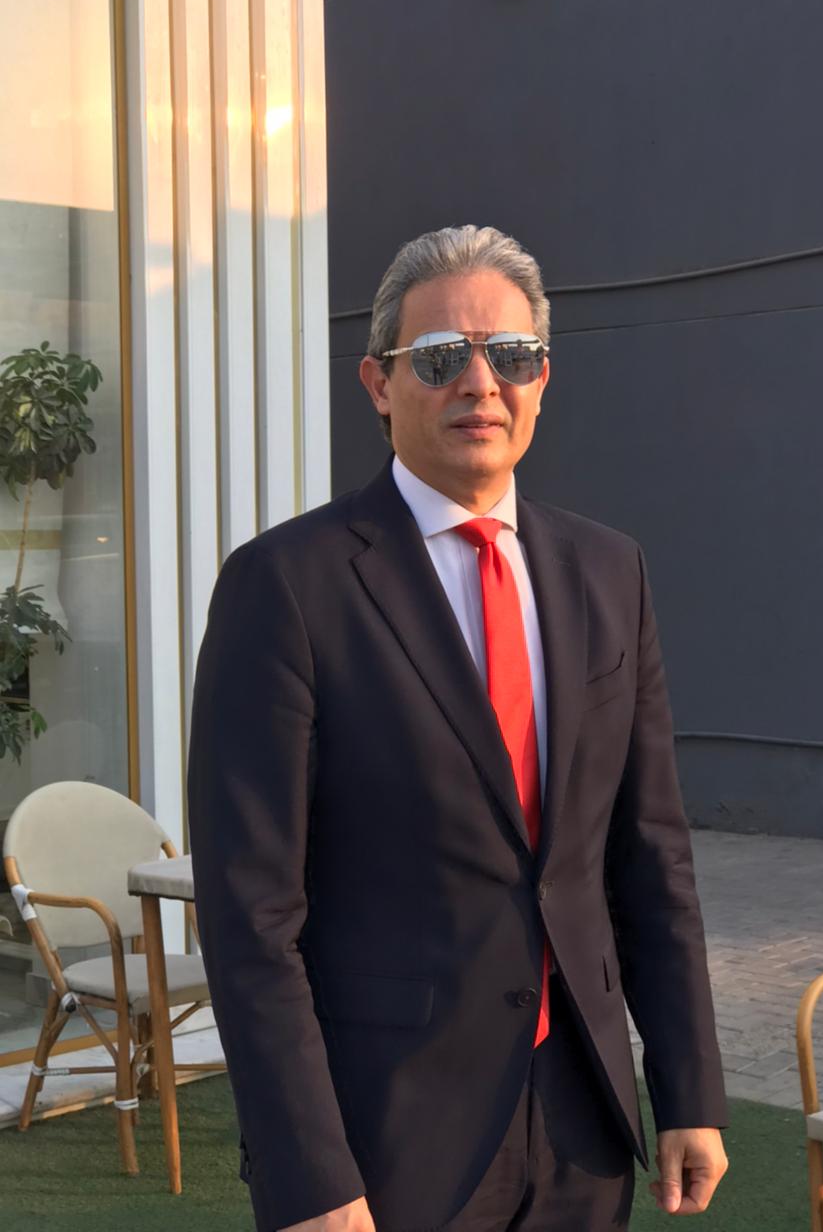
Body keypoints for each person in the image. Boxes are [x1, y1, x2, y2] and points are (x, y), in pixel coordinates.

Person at [188, 225, 729, 1232]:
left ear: (542, 379)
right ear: (378, 383)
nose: (481, 383)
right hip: (388, 1127)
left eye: (511, 355)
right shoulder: (287, 586)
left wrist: (689, 1086)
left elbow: (649, 852)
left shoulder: (608, 571)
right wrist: (310, 1174)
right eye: (440, 357)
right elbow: (250, 913)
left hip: (580, 1116)